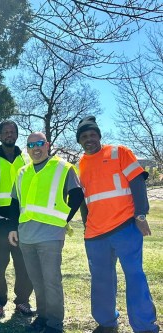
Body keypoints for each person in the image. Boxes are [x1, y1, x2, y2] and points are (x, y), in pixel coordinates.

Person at [76, 116, 160, 333]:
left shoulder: (119, 152)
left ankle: (145, 327)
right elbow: (85, 200)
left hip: (125, 227)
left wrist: (140, 215)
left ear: (99, 135)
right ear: (79, 141)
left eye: (93, 134)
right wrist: (86, 226)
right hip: (95, 234)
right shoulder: (81, 164)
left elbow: (137, 182)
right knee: (101, 280)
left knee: (135, 276)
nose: (89, 139)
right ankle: (106, 322)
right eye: (84, 136)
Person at [8, 132, 83, 333]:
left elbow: (77, 196)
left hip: (50, 236)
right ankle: (42, 317)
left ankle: (54, 324)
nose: (36, 148)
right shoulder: (22, 172)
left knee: (51, 281)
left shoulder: (62, 167)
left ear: (47, 145)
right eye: (31, 145)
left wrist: (62, 219)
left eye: (40, 143)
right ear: (27, 148)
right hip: (26, 236)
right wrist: (13, 228)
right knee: (37, 281)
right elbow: (15, 203)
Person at [0, 121, 34, 318]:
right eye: (5, 132)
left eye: (12, 132)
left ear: (17, 135)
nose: (9, 134)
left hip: (22, 222)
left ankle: (22, 301)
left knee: (23, 265)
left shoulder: (28, 159)